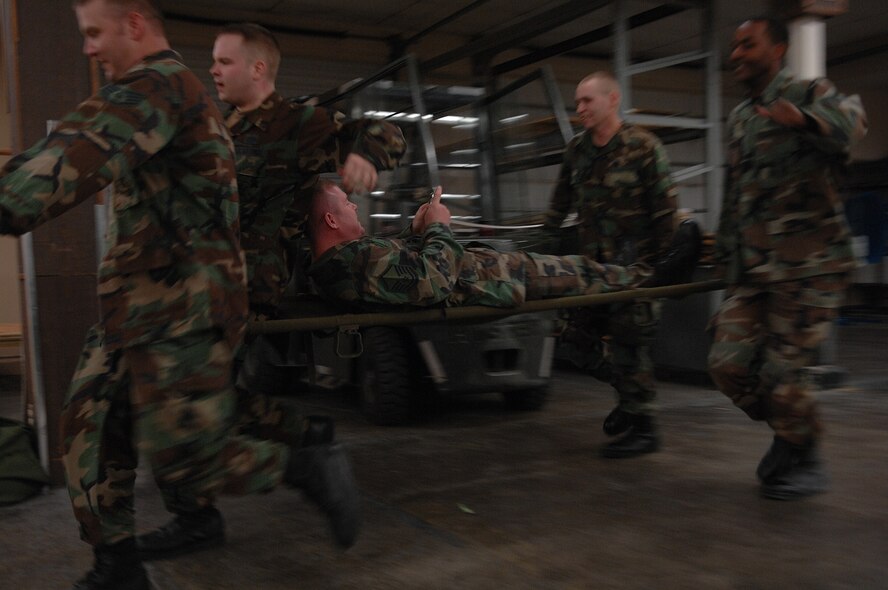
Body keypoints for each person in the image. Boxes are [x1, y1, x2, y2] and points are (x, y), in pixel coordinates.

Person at [0, 2, 358, 589]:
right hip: (136, 306)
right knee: (90, 431)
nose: (88, 48)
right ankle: (117, 566)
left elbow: (65, 161)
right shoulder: (168, 92)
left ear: (134, 23)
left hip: (183, 305)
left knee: (188, 455)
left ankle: (302, 463)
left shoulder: (158, 85)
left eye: (94, 33)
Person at [135, 22, 406, 561]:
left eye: (224, 61)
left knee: (183, 403)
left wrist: (366, 156)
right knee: (195, 400)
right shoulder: (220, 129)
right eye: (212, 61)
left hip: (246, 285)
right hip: (199, 281)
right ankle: (303, 442)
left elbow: (386, 133)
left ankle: (231, 497)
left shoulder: (300, 121)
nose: (212, 70)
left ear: (258, 69)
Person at [708, 17, 867, 500]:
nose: (737, 54)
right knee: (726, 363)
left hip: (811, 264)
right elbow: (738, 195)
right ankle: (790, 431)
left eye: (747, 45)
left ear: (776, 48)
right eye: (734, 47)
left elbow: (854, 124)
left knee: (784, 372)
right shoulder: (740, 116)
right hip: (757, 270)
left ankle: (806, 455)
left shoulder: (808, 91)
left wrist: (803, 120)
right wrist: (727, 261)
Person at [541, 71, 681, 458]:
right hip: (593, 270)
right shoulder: (577, 152)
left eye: (588, 101)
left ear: (612, 100)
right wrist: (535, 253)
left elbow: (666, 214)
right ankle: (629, 396)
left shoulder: (643, 147)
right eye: (577, 103)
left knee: (629, 346)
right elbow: (557, 209)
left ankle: (645, 428)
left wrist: (662, 270)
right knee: (573, 339)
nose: (580, 109)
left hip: (638, 269)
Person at [307, 182, 682, 308]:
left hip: (484, 271)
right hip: (487, 280)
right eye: (346, 203)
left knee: (579, 271)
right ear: (331, 220)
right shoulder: (347, 264)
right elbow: (431, 282)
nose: (355, 205)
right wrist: (438, 229)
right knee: (580, 272)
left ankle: (648, 277)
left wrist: (417, 229)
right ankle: (652, 279)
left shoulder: (347, 260)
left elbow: (399, 269)